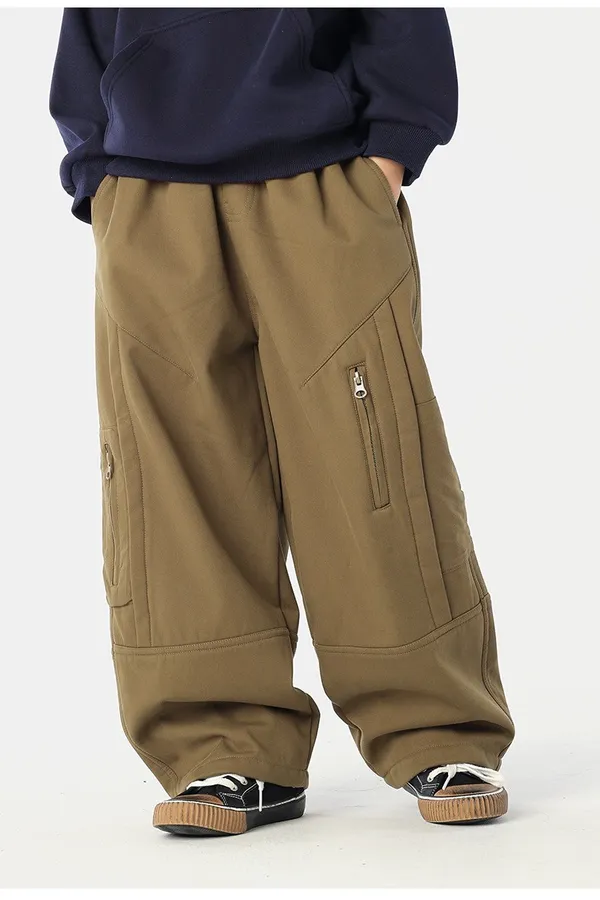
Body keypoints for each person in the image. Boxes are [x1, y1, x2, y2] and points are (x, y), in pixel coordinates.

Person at [50, 8, 515, 836]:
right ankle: (224, 746)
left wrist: (391, 150)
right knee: (172, 477)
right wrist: (96, 172)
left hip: (321, 176)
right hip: (147, 189)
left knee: (371, 460)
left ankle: (437, 729)